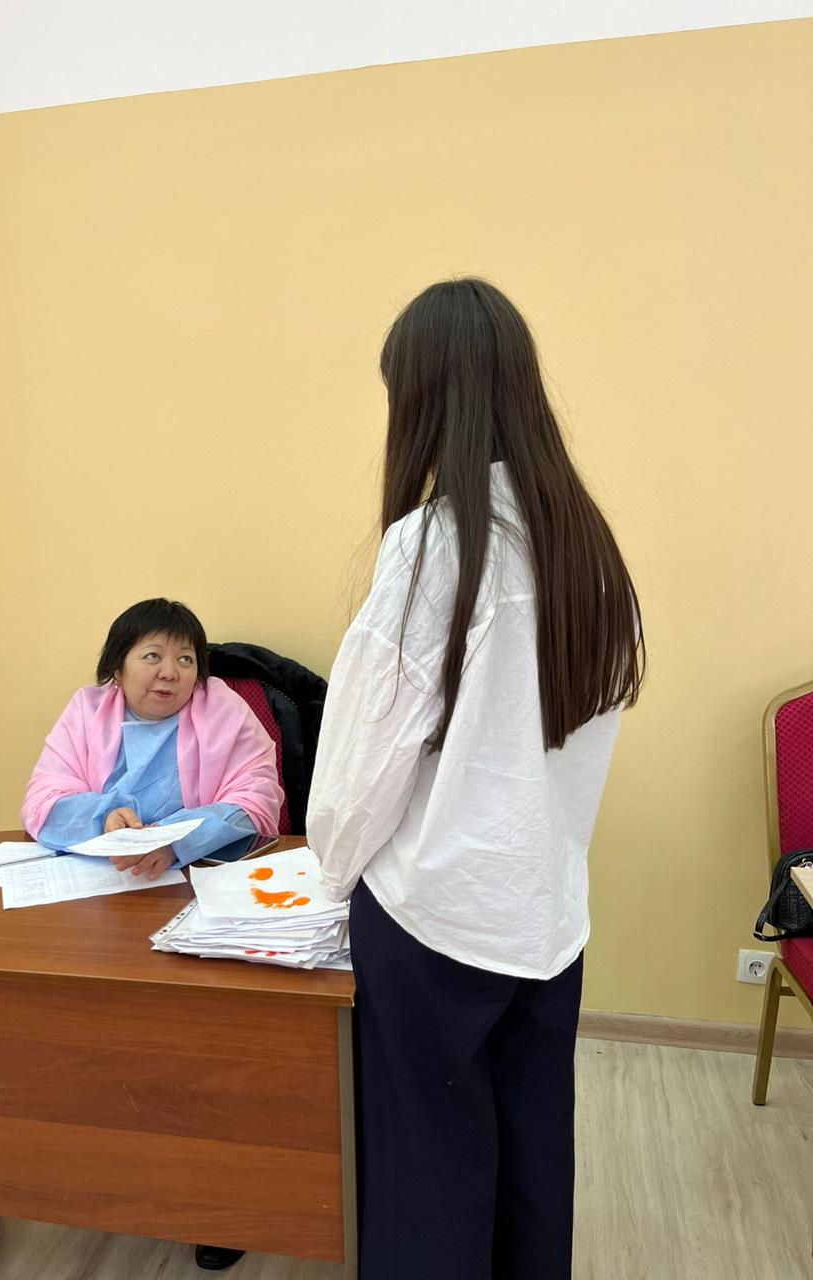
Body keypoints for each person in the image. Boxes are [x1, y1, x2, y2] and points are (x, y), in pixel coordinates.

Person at [306, 279, 644, 1280]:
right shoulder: (586, 544)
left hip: (433, 922)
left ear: (425, 398)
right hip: (544, 915)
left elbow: (356, 775)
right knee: (532, 1164)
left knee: (428, 1180)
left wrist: (331, 880)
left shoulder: (432, 546)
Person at [22, 597, 284, 1273]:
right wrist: (105, 819)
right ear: (117, 666)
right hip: (98, 900)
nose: (170, 671)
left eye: (185, 658)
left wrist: (180, 840)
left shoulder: (227, 711)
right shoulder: (87, 711)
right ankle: (110, 1171)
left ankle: (216, 1197)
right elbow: (41, 801)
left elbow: (260, 799)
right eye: (152, 655)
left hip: (198, 892)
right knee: (85, 1040)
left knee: (200, 1056)